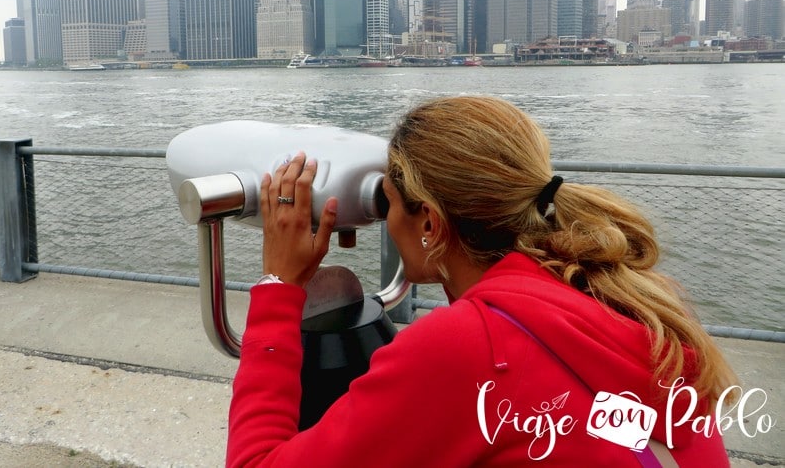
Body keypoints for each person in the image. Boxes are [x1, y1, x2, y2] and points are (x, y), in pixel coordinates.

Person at [227, 96, 737, 467]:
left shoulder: (467, 349)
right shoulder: (638, 300)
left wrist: (279, 283)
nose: (384, 220)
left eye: (386, 203)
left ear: (429, 223)